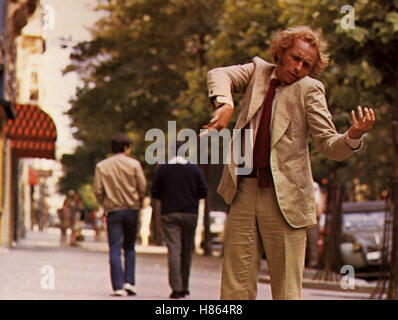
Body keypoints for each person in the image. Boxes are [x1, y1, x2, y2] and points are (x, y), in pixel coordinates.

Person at [203, 26, 376, 300]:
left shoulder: (310, 89)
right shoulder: (257, 71)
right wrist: (225, 104)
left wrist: (353, 136)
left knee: (286, 291)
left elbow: (328, 144)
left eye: (307, 64)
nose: (298, 67)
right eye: (295, 58)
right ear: (281, 52)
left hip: (285, 199)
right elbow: (218, 74)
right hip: (243, 190)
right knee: (235, 288)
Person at [151, 141, 208, 299]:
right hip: (190, 214)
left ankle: (176, 287)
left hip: (170, 214)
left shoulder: (164, 169)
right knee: (186, 250)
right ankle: (185, 286)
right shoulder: (194, 169)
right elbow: (203, 191)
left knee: (174, 250)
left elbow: (155, 191)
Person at [93, 132, 147, 296]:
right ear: (126, 148)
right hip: (132, 209)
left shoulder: (102, 166)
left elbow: (97, 190)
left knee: (115, 248)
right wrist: (139, 200)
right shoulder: (134, 165)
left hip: (113, 211)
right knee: (130, 246)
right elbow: (142, 186)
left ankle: (117, 286)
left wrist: (105, 203)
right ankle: (129, 281)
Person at [305, 181, 324, 268]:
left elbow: (318, 204)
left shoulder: (314, 186)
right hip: (308, 219)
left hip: (312, 220)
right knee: (309, 244)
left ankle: (312, 264)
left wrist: (316, 217)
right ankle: (310, 263)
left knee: (312, 244)